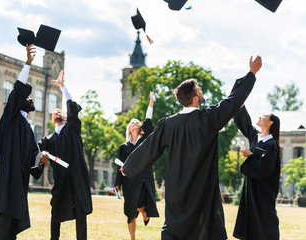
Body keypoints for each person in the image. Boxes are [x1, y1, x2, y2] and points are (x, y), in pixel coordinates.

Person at [122, 56, 263, 240]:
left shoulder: (168, 124)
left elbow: (149, 148)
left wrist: (128, 167)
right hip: (202, 196)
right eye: (199, 89)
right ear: (195, 99)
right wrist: (251, 73)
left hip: (176, 195)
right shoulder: (209, 119)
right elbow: (233, 101)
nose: (202, 91)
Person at [0, 44, 48, 239]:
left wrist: (40, 159)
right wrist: (27, 64)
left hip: (19, 180)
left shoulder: (26, 125)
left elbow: (32, 156)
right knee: (7, 219)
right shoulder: (11, 117)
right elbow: (17, 93)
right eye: (28, 97)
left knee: (14, 221)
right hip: (9, 179)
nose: (31, 99)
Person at [38, 70, 92, 240]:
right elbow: (37, 154)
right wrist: (41, 158)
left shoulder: (73, 129)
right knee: (56, 212)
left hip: (76, 177)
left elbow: (73, 108)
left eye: (60, 111)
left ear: (67, 117)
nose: (57, 111)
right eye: (54, 111)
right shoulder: (48, 139)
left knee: (81, 213)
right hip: (61, 180)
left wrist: (62, 87)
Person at [113, 92, 159, 240]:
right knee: (130, 210)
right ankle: (133, 238)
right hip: (129, 181)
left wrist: (151, 102)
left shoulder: (145, 140)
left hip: (143, 179)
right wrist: (117, 184)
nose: (135, 123)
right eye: (132, 122)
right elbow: (120, 166)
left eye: (137, 122)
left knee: (138, 204)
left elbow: (148, 119)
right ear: (129, 128)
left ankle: (145, 212)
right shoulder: (124, 147)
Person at [233, 107, 280, 240]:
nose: (260, 116)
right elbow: (245, 123)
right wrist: (240, 104)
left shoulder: (271, 145)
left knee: (264, 220)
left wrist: (250, 155)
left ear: (270, 123)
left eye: (264, 115)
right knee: (251, 221)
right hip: (251, 189)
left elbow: (265, 169)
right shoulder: (256, 138)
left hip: (263, 191)